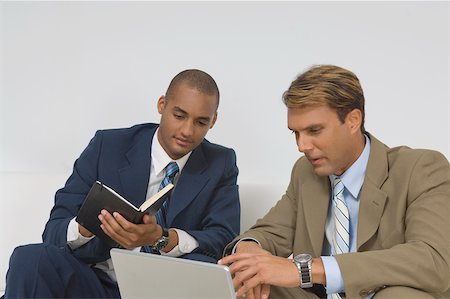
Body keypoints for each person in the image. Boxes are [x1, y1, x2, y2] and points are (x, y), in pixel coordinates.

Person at [4, 69, 240, 298]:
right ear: (162, 105)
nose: (187, 131)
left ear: (214, 120)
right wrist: (87, 227)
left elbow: (223, 240)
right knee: (30, 259)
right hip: (95, 281)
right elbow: (54, 231)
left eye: (201, 122)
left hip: (164, 290)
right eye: (179, 116)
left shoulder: (221, 163)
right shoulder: (107, 146)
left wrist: (162, 238)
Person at [219, 65, 450, 299]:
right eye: (296, 133)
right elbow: (270, 231)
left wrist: (307, 271)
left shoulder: (420, 168)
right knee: (247, 282)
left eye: (314, 130)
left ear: (353, 120)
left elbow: (434, 260)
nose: (302, 145)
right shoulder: (305, 172)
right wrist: (249, 252)